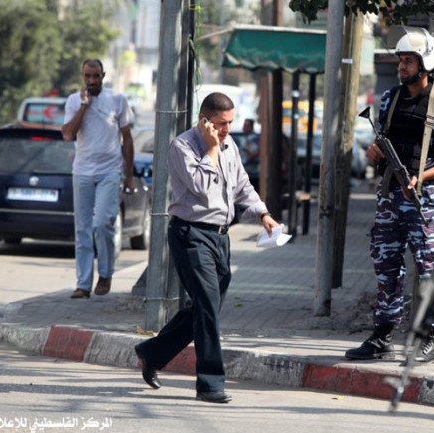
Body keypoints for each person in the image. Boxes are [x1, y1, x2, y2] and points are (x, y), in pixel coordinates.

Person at [134, 92, 279, 404]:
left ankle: (151, 353)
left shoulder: (230, 146)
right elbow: (200, 186)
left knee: (204, 307)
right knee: (209, 309)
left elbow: (242, 186)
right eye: (221, 123)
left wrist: (263, 214)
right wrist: (212, 149)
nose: (226, 129)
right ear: (204, 120)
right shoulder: (182, 146)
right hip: (191, 234)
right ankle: (210, 383)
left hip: (220, 237)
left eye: (229, 123)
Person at [345, 27, 434, 363]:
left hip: (423, 203)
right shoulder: (389, 100)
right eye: (400, 60)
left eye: (408, 61)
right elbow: (384, 143)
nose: (401, 66)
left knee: (429, 270)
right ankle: (383, 335)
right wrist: (374, 153)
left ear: (425, 63)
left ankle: (430, 337)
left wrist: (422, 176)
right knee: (387, 267)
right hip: (389, 201)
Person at [61, 59, 134, 299]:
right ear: (82, 76)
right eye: (87, 76)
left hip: (110, 171)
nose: (92, 81)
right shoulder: (74, 101)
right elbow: (68, 134)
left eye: (96, 76)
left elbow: (127, 138)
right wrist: (84, 105)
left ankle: (105, 272)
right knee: (82, 228)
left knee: (103, 223)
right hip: (82, 171)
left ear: (103, 75)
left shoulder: (117, 100)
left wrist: (129, 175)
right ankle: (83, 284)